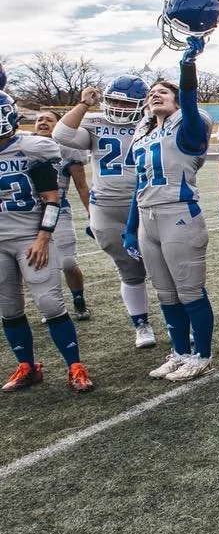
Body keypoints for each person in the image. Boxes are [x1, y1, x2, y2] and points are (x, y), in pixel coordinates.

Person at [124, 37, 217, 381]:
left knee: (189, 290)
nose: (155, 94)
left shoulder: (187, 127)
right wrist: (129, 227)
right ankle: (179, 351)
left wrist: (187, 65)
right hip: (148, 217)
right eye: (152, 92)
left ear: (177, 100)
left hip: (179, 214)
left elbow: (191, 104)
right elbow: (139, 185)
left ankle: (202, 355)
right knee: (164, 292)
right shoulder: (145, 134)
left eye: (163, 91)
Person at [0, 92, 94, 394]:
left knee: (50, 303)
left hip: (29, 236)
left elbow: (52, 201)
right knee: (9, 307)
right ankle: (27, 367)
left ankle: (74, 366)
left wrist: (43, 238)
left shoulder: (32, 148)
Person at [52, 74, 156, 348]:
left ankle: (179, 321)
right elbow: (61, 134)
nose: (119, 108)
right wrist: (84, 104)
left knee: (163, 266)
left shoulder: (153, 121)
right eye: (114, 101)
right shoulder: (95, 123)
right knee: (128, 269)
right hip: (108, 207)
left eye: (126, 103)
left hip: (147, 202)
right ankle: (142, 324)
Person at [32, 111, 91, 321]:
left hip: (60, 212)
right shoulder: (21, 148)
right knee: (39, 265)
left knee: (67, 263)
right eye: (40, 119)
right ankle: (53, 307)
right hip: (30, 215)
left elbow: (83, 187)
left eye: (49, 119)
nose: (43, 122)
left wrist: (92, 214)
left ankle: (78, 300)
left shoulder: (67, 150)